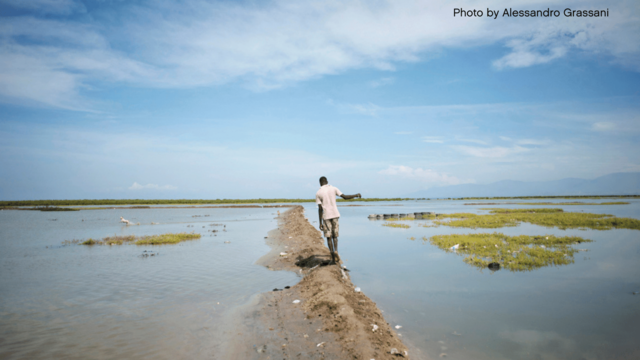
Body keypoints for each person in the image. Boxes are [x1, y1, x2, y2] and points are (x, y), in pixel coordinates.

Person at [315, 176, 361, 265]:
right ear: (327, 181)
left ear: (320, 183)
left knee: (328, 237)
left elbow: (320, 208)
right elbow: (345, 197)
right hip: (335, 214)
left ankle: (332, 257)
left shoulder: (318, 193)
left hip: (326, 216)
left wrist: (320, 222)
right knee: (335, 236)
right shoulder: (333, 188)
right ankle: (336, 250)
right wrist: (356, 195)